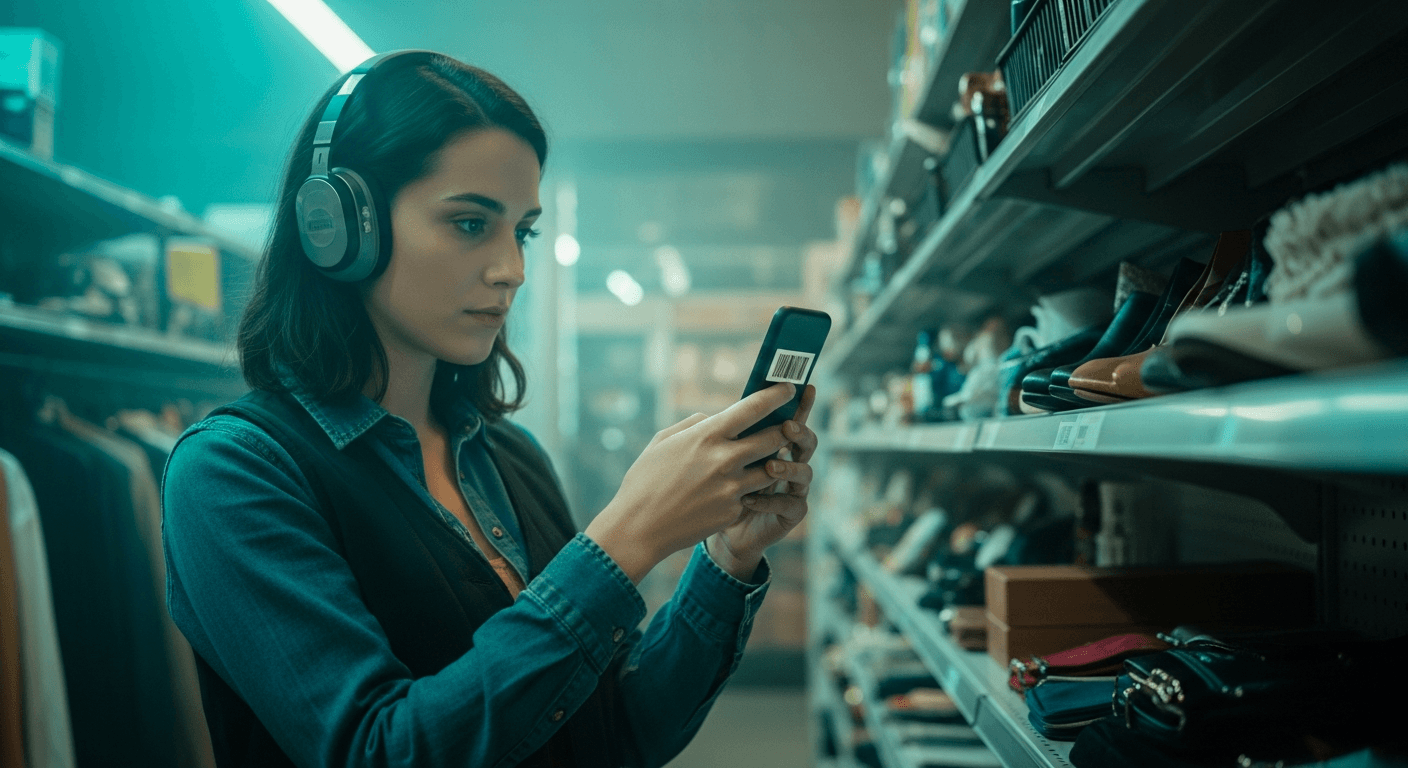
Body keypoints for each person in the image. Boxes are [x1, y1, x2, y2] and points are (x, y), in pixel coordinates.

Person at [160, 51, 819, 768]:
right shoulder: (235, 472)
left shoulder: (508, 457)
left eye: (523, 230)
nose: (513, 268)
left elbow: (615, 732)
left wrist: (729, 555)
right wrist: (624, 541)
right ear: (340, 228)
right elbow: (378, 751)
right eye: (472, 224)